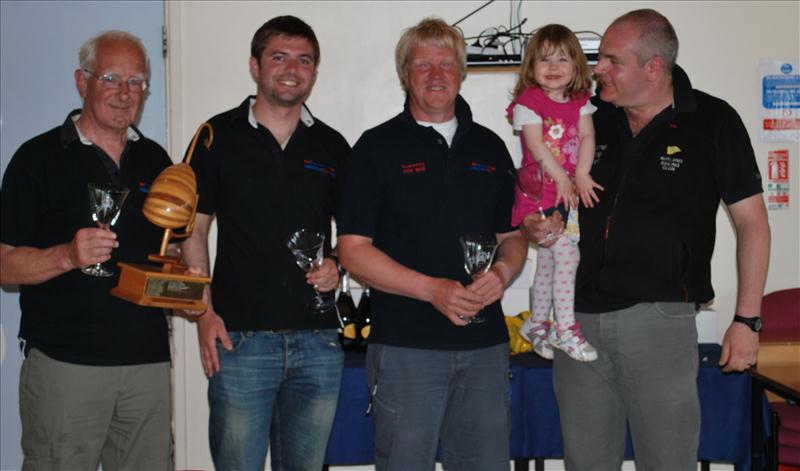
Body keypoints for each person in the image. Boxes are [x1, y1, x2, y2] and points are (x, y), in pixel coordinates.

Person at [520, 9, 771, 470]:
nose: (598, 70)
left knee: (668, 462)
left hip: (659, 322)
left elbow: (753, 221)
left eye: (612, 61)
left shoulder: (712, 121)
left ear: (653, 68)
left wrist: (748, 319)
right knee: (585, 463)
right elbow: (543, 185)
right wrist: (534, 224)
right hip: (577, 322)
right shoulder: (588, 114)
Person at [336, 17, 529, 471]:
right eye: (423, 65)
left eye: (447, 64)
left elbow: (514, 237)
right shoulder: (374, 149)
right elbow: (352, 250)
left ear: (462, 73)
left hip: (484, 346)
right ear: (406, 75)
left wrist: (502, 274)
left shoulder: (490, 148)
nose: (437, 75)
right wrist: (432, 290)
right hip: (406, 347)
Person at [179, 15, 350, 471]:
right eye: (279, 57)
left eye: (304, 59)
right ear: (255, 66)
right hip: (239, 341)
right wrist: (203, 315)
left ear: (314, 71)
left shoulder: (332, 145)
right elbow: (191, 230)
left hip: (317, 343)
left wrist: (336, 262)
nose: (291, 68)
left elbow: (355, 236)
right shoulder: (215, 137)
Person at [0, 31, 175, 470]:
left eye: (137, 82)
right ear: (83, 82)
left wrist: (182, 282)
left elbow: (168, 252)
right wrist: (67, 256)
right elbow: (4, 266)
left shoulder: (156, 161)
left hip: (147, 365)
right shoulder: (36, 158)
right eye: (112, 78)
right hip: (66, 365)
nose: (125, 93)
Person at [508, 24, 601, 362]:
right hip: (540, 194)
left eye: (562, 59)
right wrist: (562, 176)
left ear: (577, 66)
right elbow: (534, 143)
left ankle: (535, 324)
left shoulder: (581, 102)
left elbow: (588, 138)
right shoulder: (528, 103)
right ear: (531, 67)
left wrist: (581, 174)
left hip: (565, 196)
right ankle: (565, 328)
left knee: (547, 260)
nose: (553, 67)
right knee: (567, 256)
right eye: (544, 60)